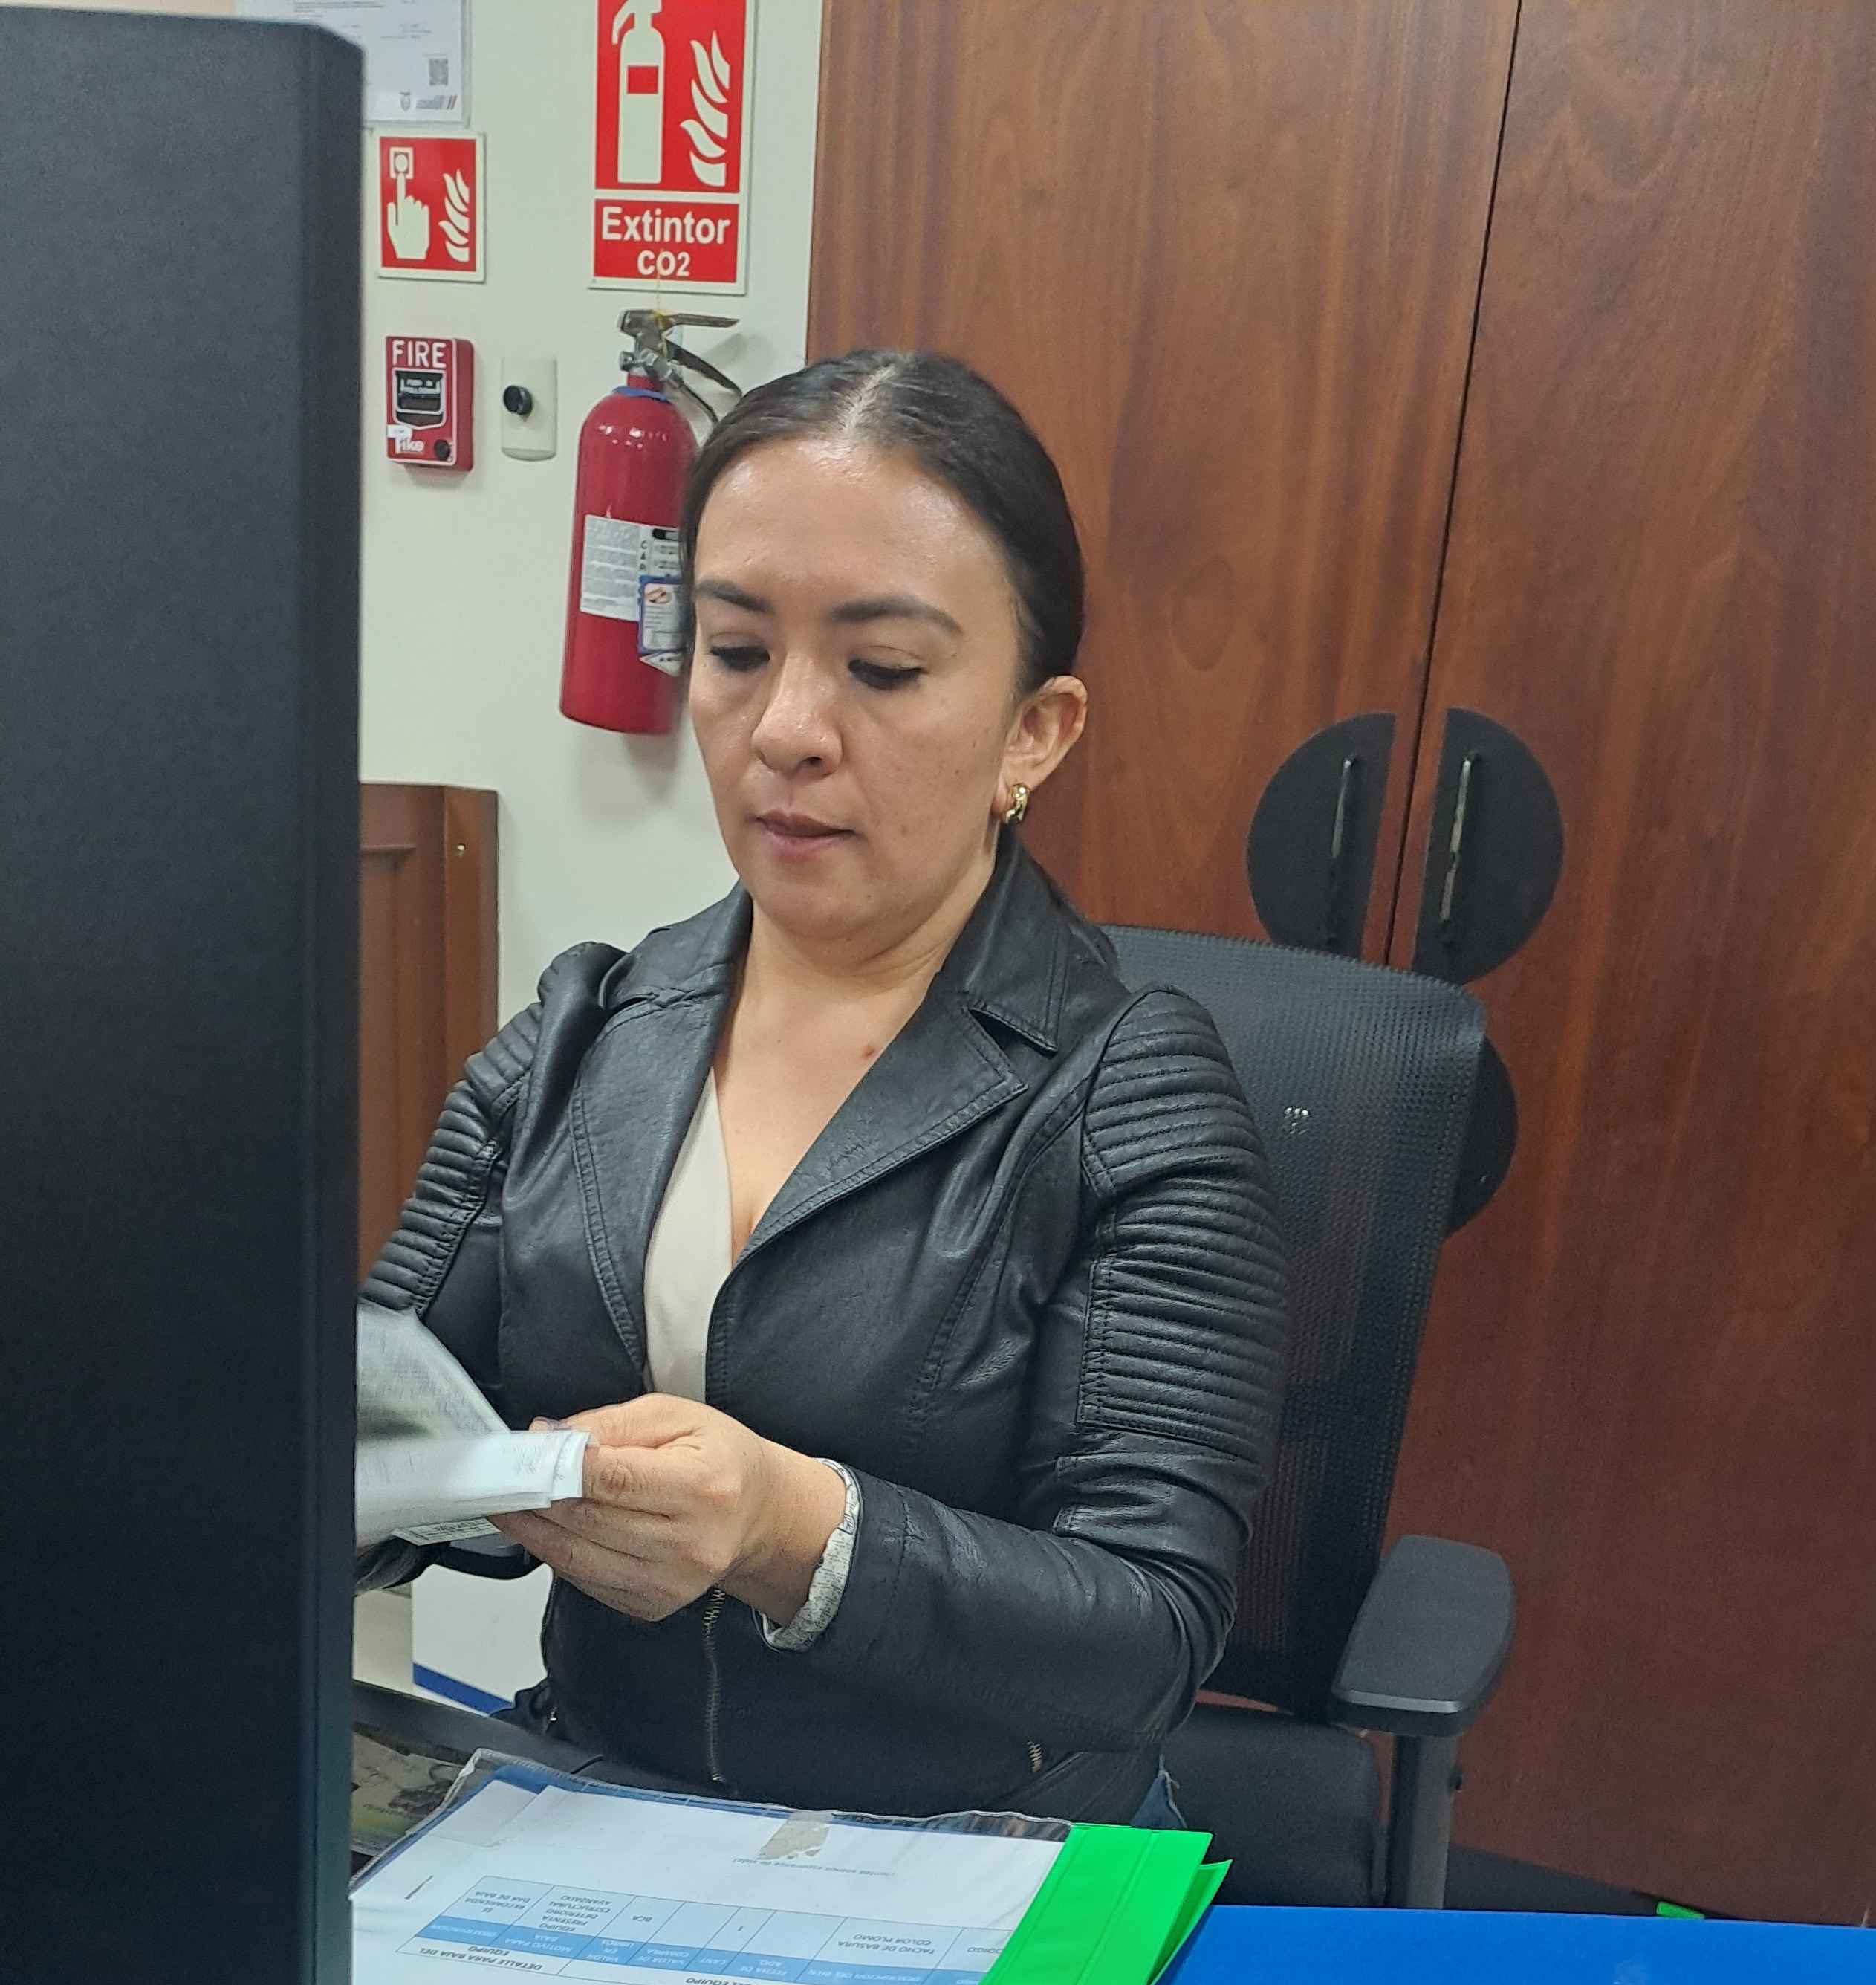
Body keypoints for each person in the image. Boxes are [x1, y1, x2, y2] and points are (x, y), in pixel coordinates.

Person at [360, 350, 1285, 1825]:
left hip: (965, 1843)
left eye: (884, 668)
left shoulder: (1126, 1101)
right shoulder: (581, 1037)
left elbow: (1148, 1631)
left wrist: (790, 1528)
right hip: (604, 1805)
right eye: (736, 650)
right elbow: (382, 1427)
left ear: (1034, 731)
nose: (786, 727)